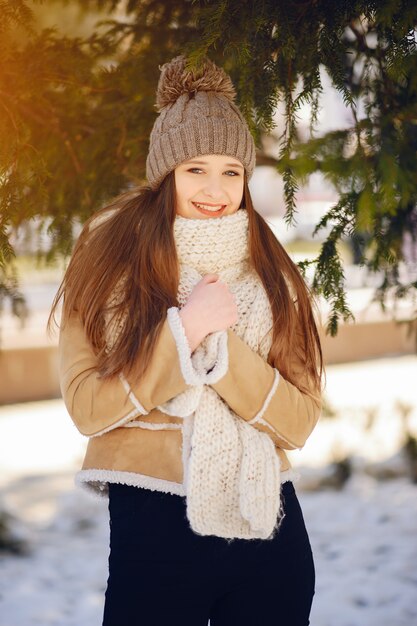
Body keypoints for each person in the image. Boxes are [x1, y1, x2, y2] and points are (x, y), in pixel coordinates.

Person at [49, 55, 324, 626]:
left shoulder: (273, 272)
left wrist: (222, 352)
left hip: (266, 528)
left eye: (231, 171)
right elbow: (87, 407)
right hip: (154, 527)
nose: (215, 189)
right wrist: (186, 332)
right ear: (165, 173)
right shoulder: (106, 262)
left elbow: (298, 420)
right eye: (196, 169)